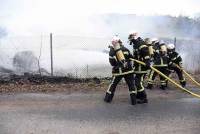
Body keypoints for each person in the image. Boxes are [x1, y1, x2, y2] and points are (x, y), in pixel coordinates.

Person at [104, 36, 137, 105]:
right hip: (129, 70)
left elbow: (112, 63)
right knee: (131, 85)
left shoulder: (112, 51)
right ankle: (134, 101)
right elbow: (132, 57)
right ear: (120, 42)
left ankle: (107, 99)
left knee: (113, 85)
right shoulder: (126, 49)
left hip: (118, 72)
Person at [128, 31, 149, 103]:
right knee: (139, 82)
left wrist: (147, 61)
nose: (131, 40)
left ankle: (144, 98)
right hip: (138, 66)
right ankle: (139, 95)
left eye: (131, 38)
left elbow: (145, 52)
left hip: (141, 66)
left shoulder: (140, 43)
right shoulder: (136, 44)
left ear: (134, 37)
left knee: (138, 82)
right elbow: (137, 55)